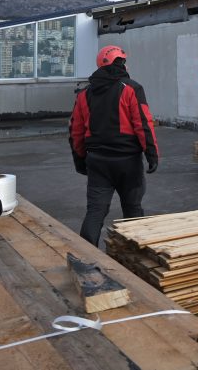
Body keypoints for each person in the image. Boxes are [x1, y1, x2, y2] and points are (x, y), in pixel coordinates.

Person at [69, 45, 159, 246]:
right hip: (128, 162)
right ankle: (137, 259)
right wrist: (152, 154)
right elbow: (143, 124)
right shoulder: (131, 88)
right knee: (133, 209)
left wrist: (80, 160)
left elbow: (75, 131)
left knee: (95, 211)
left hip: (98, 162)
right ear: (122, 63)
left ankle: (86, 259)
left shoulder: (84, 94)